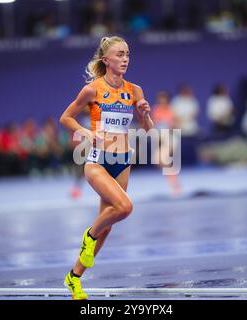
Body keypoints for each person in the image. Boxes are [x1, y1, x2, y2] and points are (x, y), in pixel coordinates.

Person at [59, 36, 153, 300]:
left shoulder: (135, 90)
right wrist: (84, 132)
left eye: (127, 54)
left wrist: (145, 114)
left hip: (123, 161)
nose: (125, 59)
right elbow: (65, 117)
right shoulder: (92, 90)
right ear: (106, 60)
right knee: (125, 208)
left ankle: (73, 278)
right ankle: (89, 236)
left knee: (108, 226)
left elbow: (150, 131)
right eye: (119, 55)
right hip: (98, 161)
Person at [151, 91, 181, 195]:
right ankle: (174, 182)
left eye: (163, 98)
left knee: (164, 159)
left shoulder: (171, 110)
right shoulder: (155, 110)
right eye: (160, 98)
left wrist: (170, 127)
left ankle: (175, 185)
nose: (161, 100)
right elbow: (153, 125)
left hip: (171, 137)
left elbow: (176, 125)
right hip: (160, 138)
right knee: (158, 161)